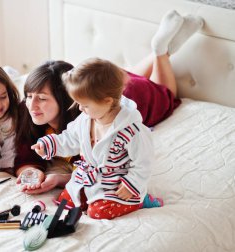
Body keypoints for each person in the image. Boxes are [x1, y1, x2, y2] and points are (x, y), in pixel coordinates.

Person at [14, 10, 203, 195]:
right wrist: (32, 172)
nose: (32, 105)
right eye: (29, 96)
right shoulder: (29, 110)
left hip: (134, 94)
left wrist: (58, 179)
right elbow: (24, 156)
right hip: (106, 84)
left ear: (66, 99)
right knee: (130, 74)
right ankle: (157, 52)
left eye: (42, 98)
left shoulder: (93, 117)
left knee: (167, 95)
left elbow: (97, 171)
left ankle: (161, 52)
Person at [32, 57, 163, 220]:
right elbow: (70, 139)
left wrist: (132, 184)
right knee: (65, 202)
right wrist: (49, 144)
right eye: (78, 103)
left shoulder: (132, 131)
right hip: (89, 177)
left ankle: (141, 201)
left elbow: (144, 162)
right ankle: (89, 195)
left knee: (97, 212)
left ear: (107, 101)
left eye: (85, 105)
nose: (80, 108)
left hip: (117, 183)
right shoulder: (84, 120)